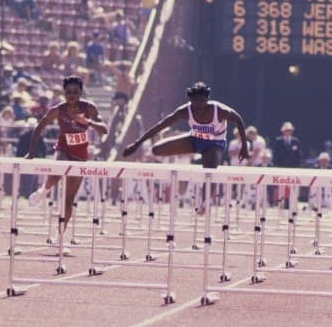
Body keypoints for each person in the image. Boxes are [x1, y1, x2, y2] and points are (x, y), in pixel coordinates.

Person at [24, 75, 109, 230]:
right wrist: (31, 153)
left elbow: (104, 130)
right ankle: (44, 190)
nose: (71, 95)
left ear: (81, 92)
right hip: (63, 148)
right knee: (57, 170)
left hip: (80, 155)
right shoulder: (58, 110)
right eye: (68, 92)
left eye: (75, 92)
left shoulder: (89, 108)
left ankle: (60, 235)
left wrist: (88, 122)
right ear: (64, 92)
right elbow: (39, 127)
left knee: (68, 199)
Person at [122, 81, 249, 171]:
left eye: (201, 102)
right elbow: (159, 127)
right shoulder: (184, 111)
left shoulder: (219, 110)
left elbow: (238, 120)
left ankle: (203, 204)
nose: (198, 106)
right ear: (190, 100)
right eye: (195, 102)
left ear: (207, 99)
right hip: (194, 140)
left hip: (214, 144)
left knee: (209, 171)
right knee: (156, 150)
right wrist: (137, 144)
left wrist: (244, 146)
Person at [270, 120, 303, 207]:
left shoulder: (296, 141)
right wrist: (276, 166)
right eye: (286, 130)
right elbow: (275, 154)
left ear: (292, 131)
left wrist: (297, 167)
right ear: (283, 131)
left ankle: (291, 203)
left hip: (293, 168)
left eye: (289, 130)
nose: (288, 132)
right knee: (281, 186)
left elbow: (299, 155)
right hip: (281, 167)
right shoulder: (278, 141)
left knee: (292, 186)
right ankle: (280, 203)